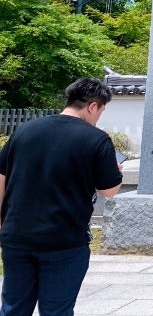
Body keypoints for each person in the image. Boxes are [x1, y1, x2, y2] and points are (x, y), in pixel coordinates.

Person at [0, 77, 123, 316]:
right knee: (56, 311)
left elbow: (2, 176)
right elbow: (109, 191)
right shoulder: (96, 139)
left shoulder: (25, 130)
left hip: (17, 236)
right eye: (101, 111)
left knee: (13, 308)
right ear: (92, 106)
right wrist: (115, 173)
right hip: (64, 240)